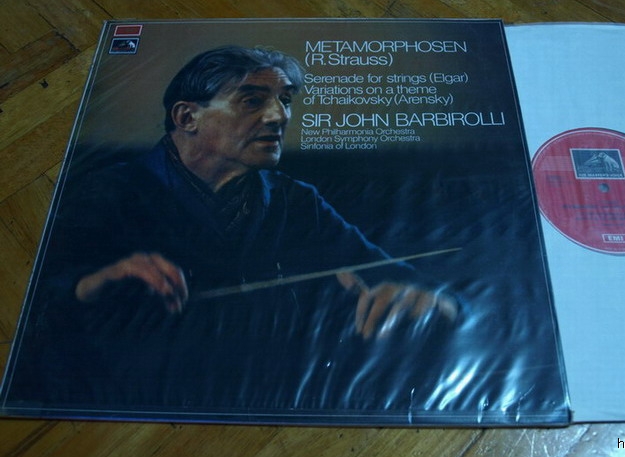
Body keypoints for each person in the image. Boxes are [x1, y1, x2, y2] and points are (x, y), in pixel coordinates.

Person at [15, 45, 460, 411]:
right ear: (186, 118)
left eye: (285, 100)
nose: (279, 116)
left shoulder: (293, 199)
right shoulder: (107, 192)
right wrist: (91, 285)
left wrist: (430, 300)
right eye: (252, 100)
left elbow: (404, 278)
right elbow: (33, 307)